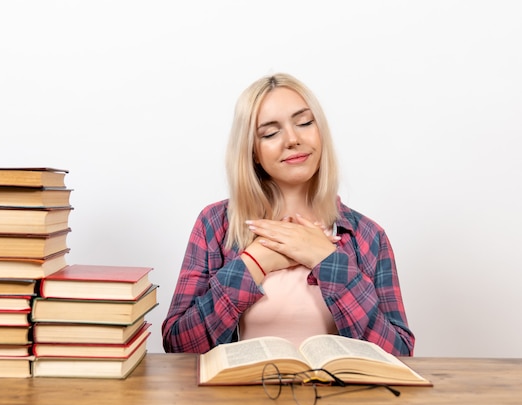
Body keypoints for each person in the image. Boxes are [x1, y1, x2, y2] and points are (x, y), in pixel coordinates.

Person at [161, 73, 415, 356]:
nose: (293, 139)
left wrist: (326, 260)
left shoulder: (368, 236)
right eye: (270, 133)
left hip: (342, 399)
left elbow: (399, 355)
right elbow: (178, 346)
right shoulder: (216, 224)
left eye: (305, 123)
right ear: (253, 151)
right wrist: (255, 262)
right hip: (241, 399)